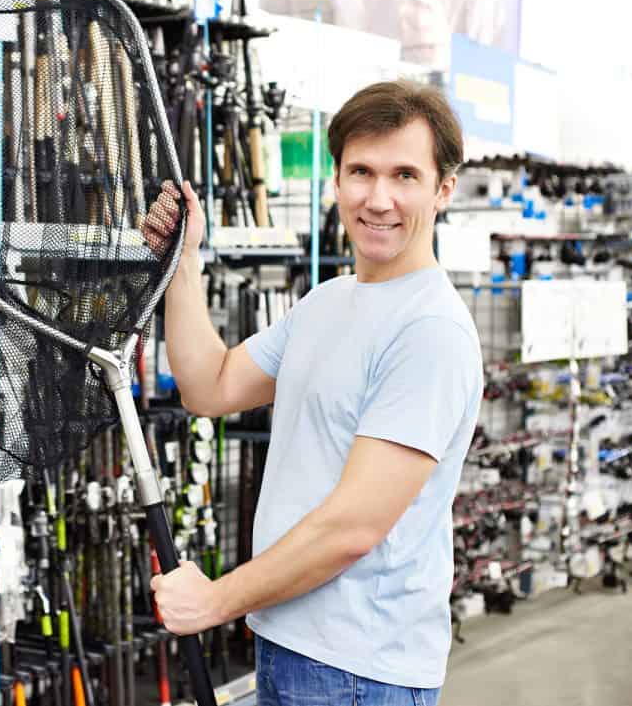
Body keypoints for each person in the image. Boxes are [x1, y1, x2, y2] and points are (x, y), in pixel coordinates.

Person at [142, 80, 483, 706]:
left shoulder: (429, 330)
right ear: (337, 180)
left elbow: (352, 527)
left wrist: (217, 598)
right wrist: (181, 265)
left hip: (358, 671)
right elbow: (209, 386)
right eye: (361, 172)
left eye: (404, 175)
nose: (378, 199)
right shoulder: (329, 302)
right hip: (293, 645)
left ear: (443, 190)